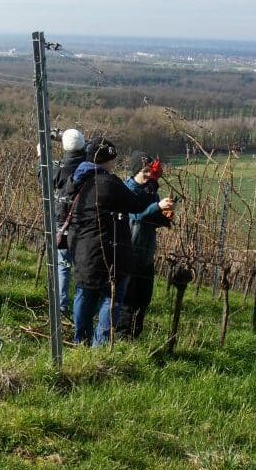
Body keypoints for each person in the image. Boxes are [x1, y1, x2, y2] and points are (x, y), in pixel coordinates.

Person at [64, 137, 173, 346]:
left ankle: (80, 341)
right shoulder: (108, 182)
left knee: (84, 292)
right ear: (106, 159)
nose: (114, 164)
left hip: (81, 245)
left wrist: (159, 213)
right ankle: (100, 345)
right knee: (110, 296)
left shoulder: (77, 180)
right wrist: (156, 206)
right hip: (107, 248)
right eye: (112, 159)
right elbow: (135, 207)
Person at [120, 151, 173, 339]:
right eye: (145, 171)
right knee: (127, 299)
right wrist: (157, 207)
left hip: (146, 254)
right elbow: (135, 215)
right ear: (135, 171)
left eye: (151, 171)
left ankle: (134, 336)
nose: (149, 175)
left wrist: (163, 217)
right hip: (129, 253)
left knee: (143, 300)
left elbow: (149, 218)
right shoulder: (127, 190)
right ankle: (121, 338)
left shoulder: (151, 191)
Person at [53, 128, 86, 317]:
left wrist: (41, 155)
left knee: (63, 265)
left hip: (63, 220)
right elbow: (88, 145)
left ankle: (62, 306)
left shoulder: (61, 168)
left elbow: (44, 177)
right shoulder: (89, 163)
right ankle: (81, 308)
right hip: (83, 222)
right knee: (81, 265)